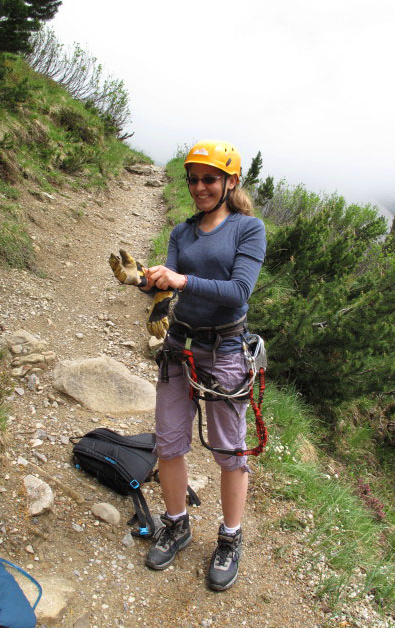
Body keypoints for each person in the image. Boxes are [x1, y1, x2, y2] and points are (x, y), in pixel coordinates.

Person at [141, 140, 267, 591]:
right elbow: (171, 288)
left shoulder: (248, 229)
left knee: (229, 450)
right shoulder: (181, 232)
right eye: (193, 179)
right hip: (180, 346)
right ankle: (176, 524)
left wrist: (180, 279)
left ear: (230, 182)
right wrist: (149, 281)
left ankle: (230, 538)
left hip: (225, 349)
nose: (199, 187)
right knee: (170, 441)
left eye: (209, 179)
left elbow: (238, 292)